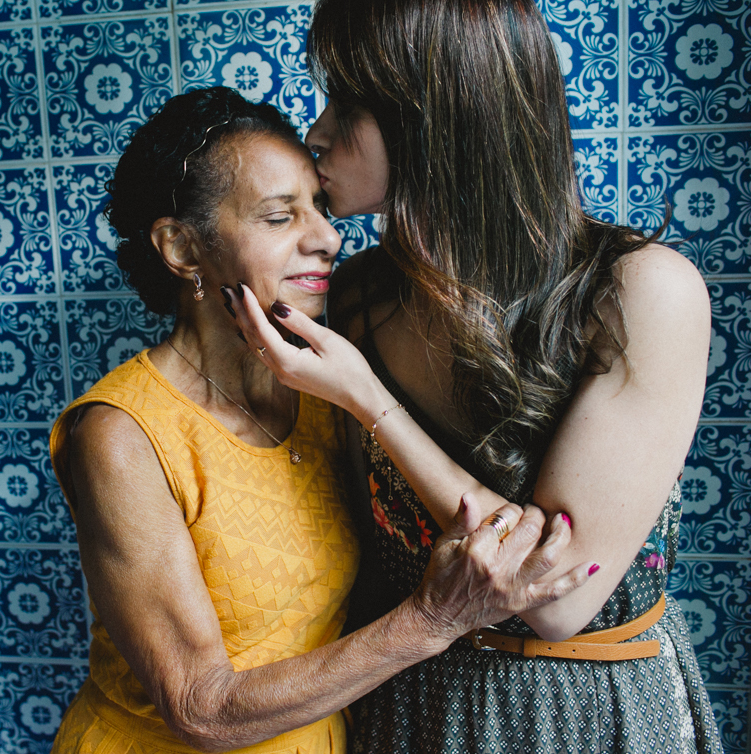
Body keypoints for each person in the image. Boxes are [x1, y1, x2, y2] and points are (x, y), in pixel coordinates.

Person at [229, 0, 723, 752]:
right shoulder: (356, 296)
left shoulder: (639, 294)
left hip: (585, 707)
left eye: (346, 106)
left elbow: (558, 603)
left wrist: (370, 400)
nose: (315, 133)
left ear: (436, 117)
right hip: (411, 699)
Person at [47, 85, 595, 754]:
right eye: (281, 217)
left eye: (321, 209)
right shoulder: (121, 436)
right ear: (183, 248)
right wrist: (431, 620)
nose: (329, 238)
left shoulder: (323, 390)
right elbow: (200, 709)